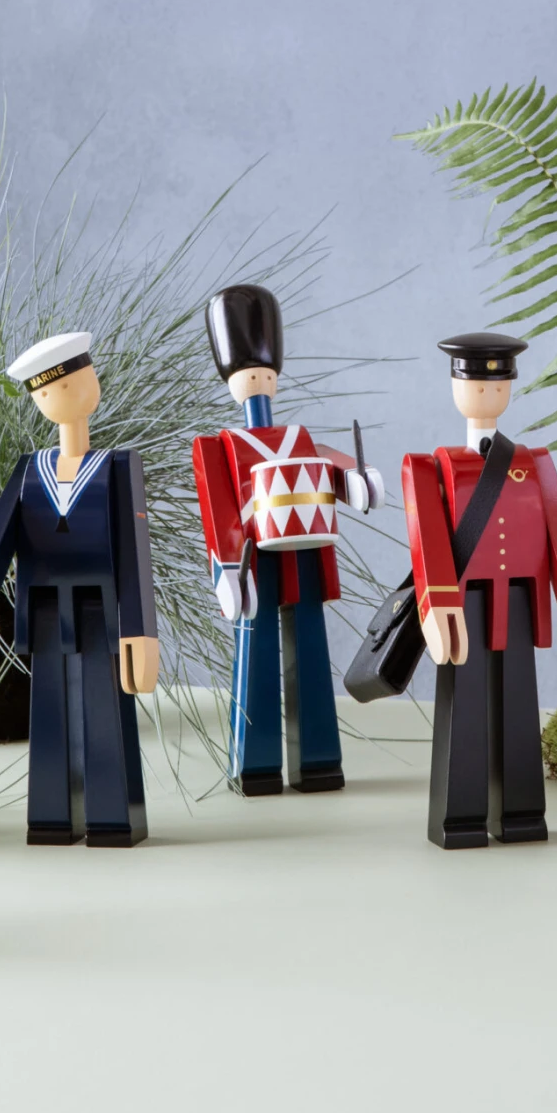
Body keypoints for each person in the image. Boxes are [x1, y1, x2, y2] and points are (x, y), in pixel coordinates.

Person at [0, 331, 159, 846]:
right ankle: (51, 816)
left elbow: (133, 551)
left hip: (100, 610)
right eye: (45, 391)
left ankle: (112, 818)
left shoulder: (116, 467)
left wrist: (139, 628)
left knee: (105, 709)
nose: (57, 396)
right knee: (48, 711)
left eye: (67, 382)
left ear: (92, 382)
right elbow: (1, 531)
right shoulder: (30, 470)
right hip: (43, 608)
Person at [402, 332, 557, 848]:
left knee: (519, 702)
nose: (487, 393)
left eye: (498, 383)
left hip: (520, 600)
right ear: (455, 386)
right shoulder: (431, 466)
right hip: (463, 603)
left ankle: (522, 812)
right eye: (476, 384)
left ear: (509, 386)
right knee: (465, 705)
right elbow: (427, 540)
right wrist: (437, 603)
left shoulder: (534, 462)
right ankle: (459, 818)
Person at [193, 284, 382, 795]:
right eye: (247, 374)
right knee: (255, 655)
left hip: (304, 553)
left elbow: (329, 463)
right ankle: (254, 764)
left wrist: (356, 480)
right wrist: (225, 570)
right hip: (253, 561)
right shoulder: (218, 446)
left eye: (265, 373)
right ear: (230, 380)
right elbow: (219, 511)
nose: (258, 381)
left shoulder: (298, 437)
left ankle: (318, 759)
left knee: (312, 655)